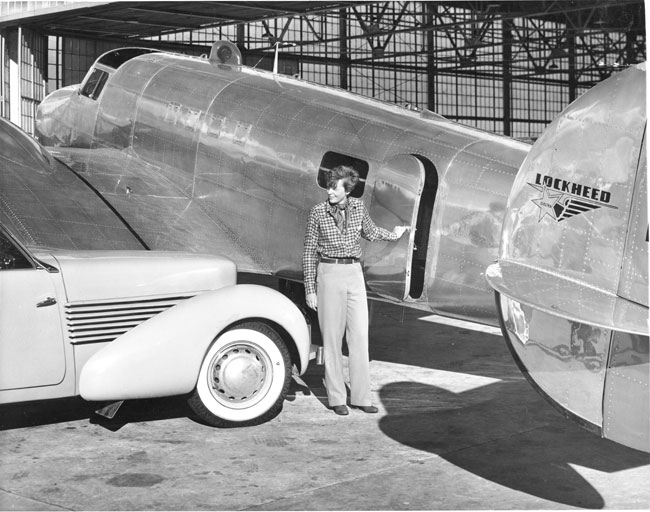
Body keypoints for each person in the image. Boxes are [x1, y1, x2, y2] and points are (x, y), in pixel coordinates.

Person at [303, 165, 409, 416]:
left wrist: (393, 235)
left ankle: (362, 397)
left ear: (347, 189)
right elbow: (308, 251)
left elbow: (370, 232)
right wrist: (310, 288)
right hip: (328, 274)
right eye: (329, 186)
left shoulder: (358, 207)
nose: (329, 191)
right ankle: (337, 397)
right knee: (332, 339)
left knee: (360, 336)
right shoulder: (317, 212)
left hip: (354, 274)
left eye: (334, 187)